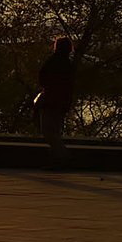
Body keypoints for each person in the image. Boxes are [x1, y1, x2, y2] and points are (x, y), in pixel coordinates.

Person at [34, 36, 75, 166]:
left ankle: (62, 156)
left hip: (51, 101)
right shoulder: (67, 64)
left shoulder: (53, 61)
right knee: (55, 131)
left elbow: (42, 77)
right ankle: (57, 158)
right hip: (61, 103)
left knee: (48, 131)